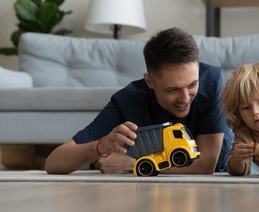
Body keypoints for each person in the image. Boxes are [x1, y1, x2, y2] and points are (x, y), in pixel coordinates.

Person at [45, 27, 233, 174]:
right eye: (172, 89)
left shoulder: (210, 82)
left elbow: (206, 164)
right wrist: (100, 146)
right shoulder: (128, 101)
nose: (185, 98)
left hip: (226, 171)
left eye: (192, 85)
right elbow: (53, 163)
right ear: (149, 81)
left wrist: (134, 165)